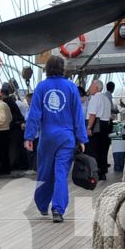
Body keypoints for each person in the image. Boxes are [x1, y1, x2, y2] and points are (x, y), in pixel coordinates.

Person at [25, 54, 87, 222]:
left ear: (47, 69)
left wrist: (29, 136)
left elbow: (34, 113)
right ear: (63, 69)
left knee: (45, 171)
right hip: (66, 138)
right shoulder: (71, 87)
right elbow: (78, 115)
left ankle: (42, 204)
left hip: (47, 138)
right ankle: (58, 210)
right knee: (61, 173)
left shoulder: (41, 87)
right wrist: (81, 139)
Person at [84, 78, 113, 178]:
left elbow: (92, 114)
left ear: (96, 88)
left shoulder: (95, 98)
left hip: (96, 124)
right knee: (103, 150)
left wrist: (88, 128)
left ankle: (94, 172)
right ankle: (102, 172)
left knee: (92, 150)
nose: (89, 88)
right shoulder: (106, 99)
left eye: (91, 86)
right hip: (105, 125)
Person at [1, 80, 26, 176]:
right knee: (17, 146)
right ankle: (18, 164)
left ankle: (13, 164)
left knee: (13, 147)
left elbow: (7, 116)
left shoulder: (6, 102)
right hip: (18, 125)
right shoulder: (13, 102)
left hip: (13, 127)